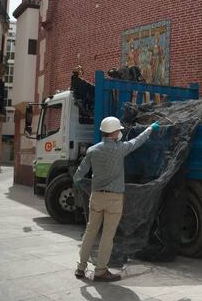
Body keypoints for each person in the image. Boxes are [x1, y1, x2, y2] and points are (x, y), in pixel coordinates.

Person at [73, 116, 160, 282]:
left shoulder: (92, 150)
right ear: (113, 133)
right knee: (107, 235)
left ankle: (80, 267)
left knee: (90, 232)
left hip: (96, 197)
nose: (120, 133)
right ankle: (100, 271)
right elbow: (137, 141)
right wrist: (150, 129)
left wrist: (77, 181)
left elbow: (80, 172)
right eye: (119, 130)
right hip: (114, 199)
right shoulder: (120, 149)